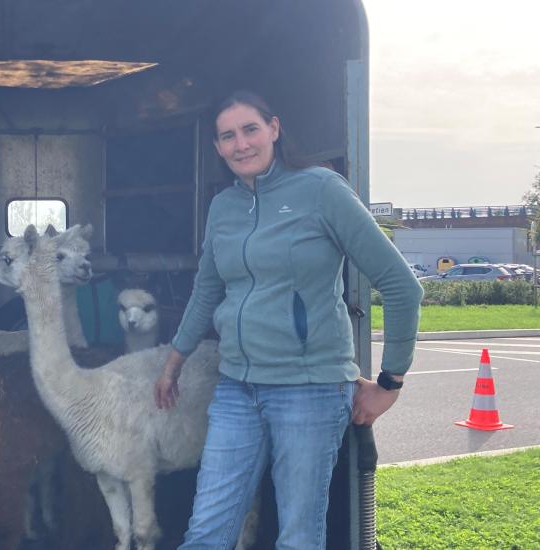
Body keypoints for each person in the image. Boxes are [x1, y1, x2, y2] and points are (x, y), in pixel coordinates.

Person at [154, 90, 422, 549]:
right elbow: (206, 291)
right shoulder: (224, 208)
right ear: (217, 148)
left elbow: (402, 285)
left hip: (309, 390)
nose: (241, 144)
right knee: (205, 534)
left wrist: (389, 383)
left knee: (297, 536)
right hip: (238, 387)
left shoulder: (321, 189)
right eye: (228, 136)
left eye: (250, 129)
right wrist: (173, 361)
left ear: (274, 129)